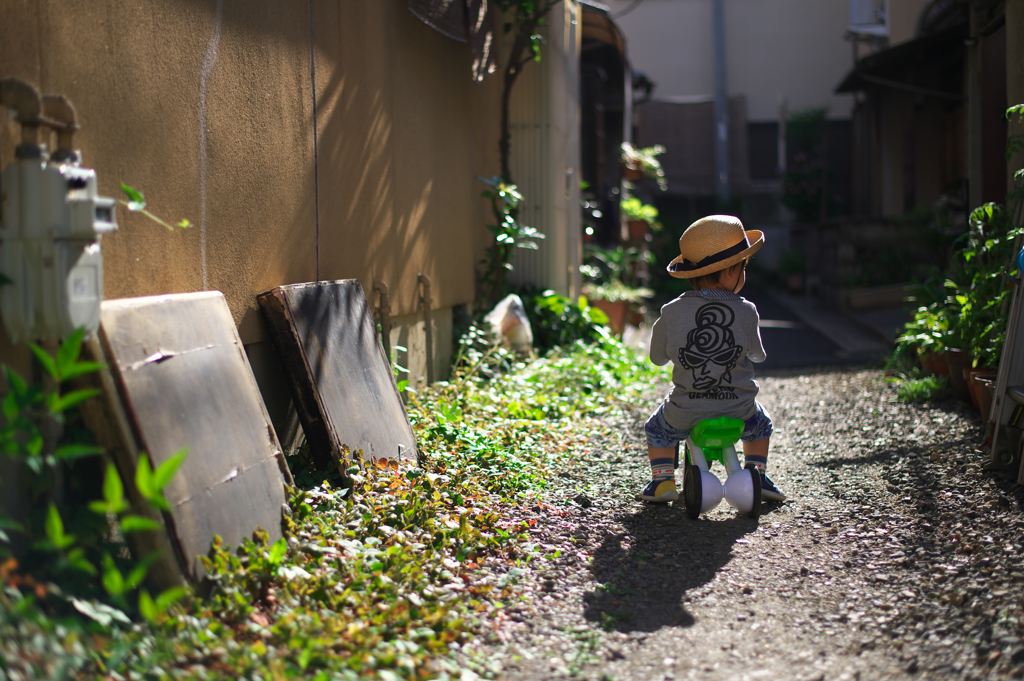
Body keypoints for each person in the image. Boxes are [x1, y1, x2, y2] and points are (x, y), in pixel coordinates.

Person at [640, 215, 786, 504]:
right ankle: (757, 472)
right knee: (762, 425)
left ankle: (662, 481)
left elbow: (657, 358)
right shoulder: (747, 310)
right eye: (743, 268)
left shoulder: (670, 311)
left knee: (656, 429)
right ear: (731, 271)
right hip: (739, 409)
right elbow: (758, 354)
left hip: (686, 409)